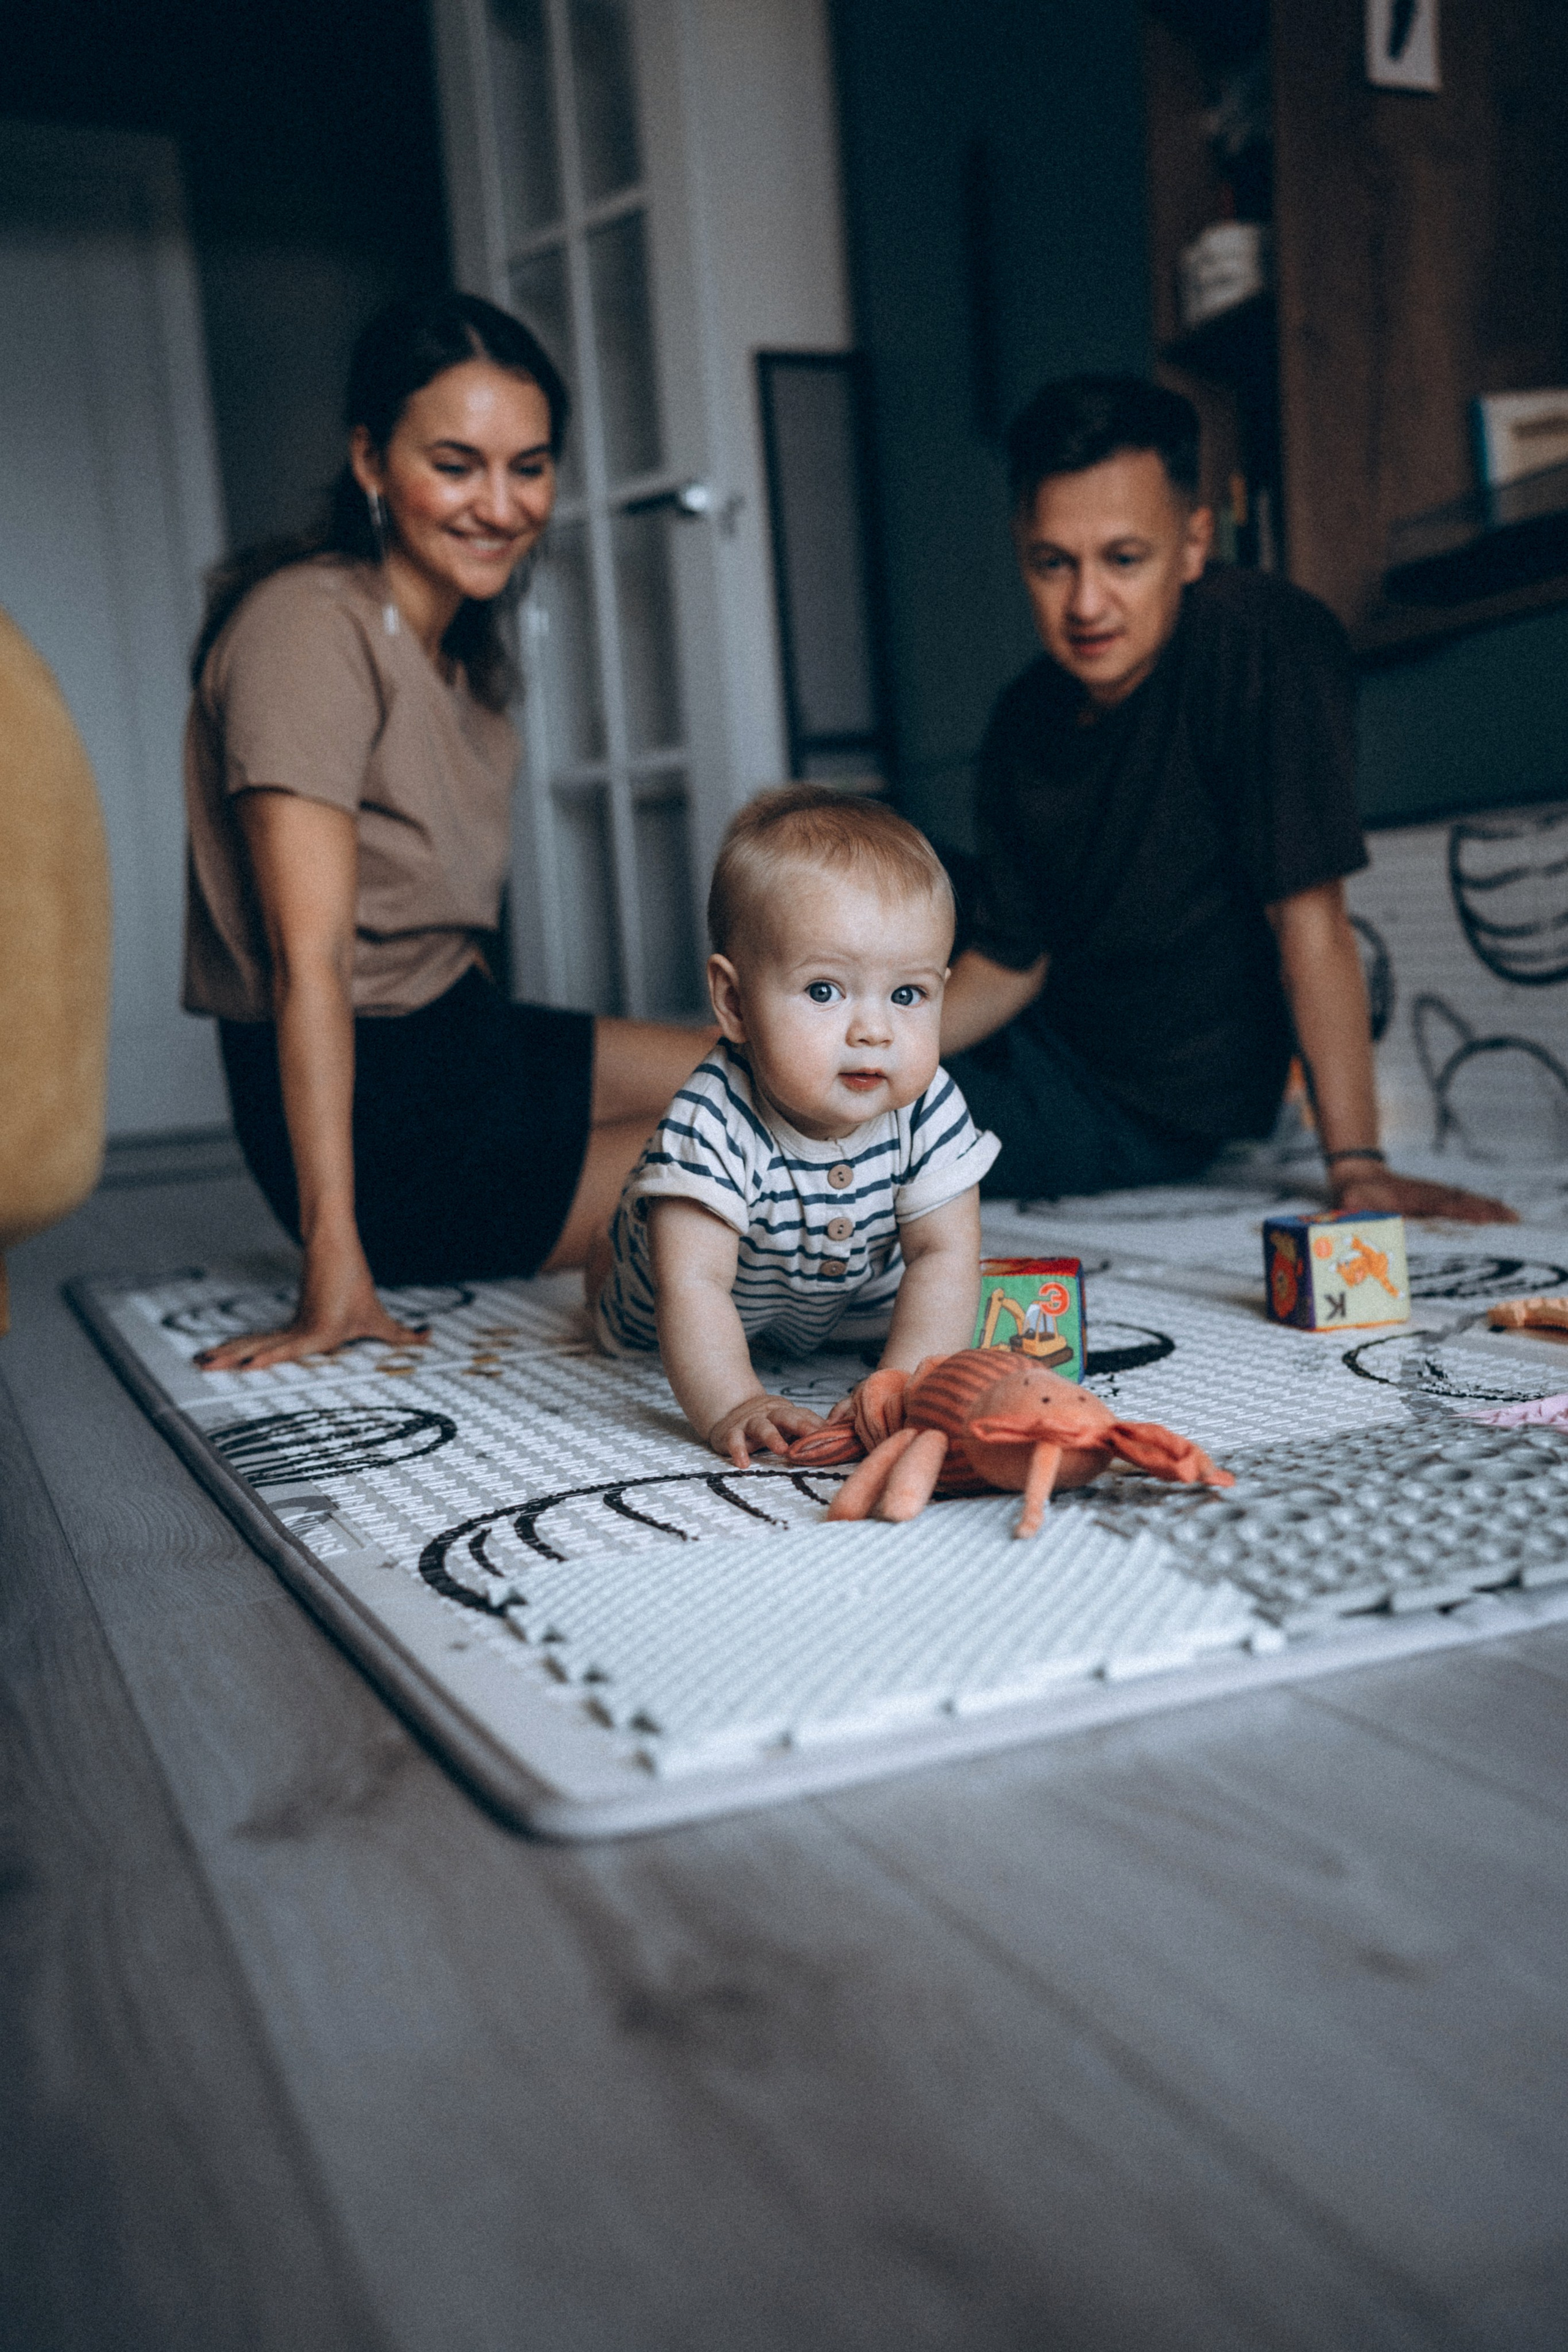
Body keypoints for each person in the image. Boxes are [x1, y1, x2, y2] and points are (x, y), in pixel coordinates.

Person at [182, 292, 714, 1373]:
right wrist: (336, 1254)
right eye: (457, 465)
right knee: (764, 1147)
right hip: (386, 1118)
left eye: (530, 467)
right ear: (370, 461)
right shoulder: (308, 629)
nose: (501, 506)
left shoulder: (461, 653)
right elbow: (309, 963)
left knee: (789, 1076)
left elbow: (443, 927)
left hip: (465, 1043)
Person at [940, 375, 1514, 1226]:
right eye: (1054, 563)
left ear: (1194, 543)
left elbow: (1310, 922)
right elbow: (1010, 961)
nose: (1086, 604)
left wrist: (1356, 1165)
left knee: (844, 1129)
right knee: (833, 889)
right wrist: (864, 1058)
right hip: (1037, 1020)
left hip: (1140, 1103)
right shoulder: (1024, 713)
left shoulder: (1262, 643)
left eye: (1123, 559)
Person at [592, 786, 1000, 1465]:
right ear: (734, 1002)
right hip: (685, 1305)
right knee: (653, 1269)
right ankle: (607, 1252)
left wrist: (900, 1383)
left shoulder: (927, 1105)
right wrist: (736, 1402)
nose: (874, 1031)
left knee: (930, 1298)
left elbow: (944, 1254)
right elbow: (695, 1288)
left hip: (838, 1305)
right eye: (823, 990)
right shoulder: (712, 1119)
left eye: (908, 994)